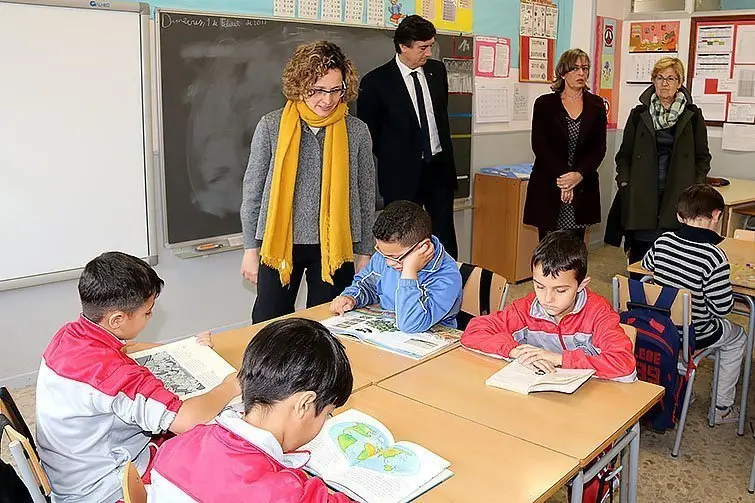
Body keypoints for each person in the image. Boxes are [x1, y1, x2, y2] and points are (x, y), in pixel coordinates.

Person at [35, 252, 240, 503]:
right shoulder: (114, 376)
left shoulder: (70, 335)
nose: (150, 317)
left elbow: (128, 349)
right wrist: (230, 386)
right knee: (217, 446)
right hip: (105, 489)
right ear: (117, 319)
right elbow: (188, 420)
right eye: (147, 312)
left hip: (70, 470)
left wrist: (188, 349)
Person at [240, 41, 376, 323]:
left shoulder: (356, 131)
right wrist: (249, 250)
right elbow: (253, 191)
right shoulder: (272, 126)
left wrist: (364, 252)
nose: (327, 100)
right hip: (278, 244)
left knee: (329, 324)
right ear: (300, 85)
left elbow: (365, 194)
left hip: (334, 247)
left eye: (335, 90)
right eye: (317, 90)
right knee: (269, 322)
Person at [146, 318, 354, 502]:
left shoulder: (179, 444)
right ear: (304, 405)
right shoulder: (286, 493)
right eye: (327, 414)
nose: (325, 421)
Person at [461, 230, 636, 381]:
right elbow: (474, 331)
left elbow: (623, 363)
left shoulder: (598, 313)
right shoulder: (526, 308)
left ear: (582, 285)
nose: (547, 299)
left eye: (560, 290)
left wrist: (559, 359)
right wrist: (515, 350)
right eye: (539, 286)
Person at [642, 184, 745, 424]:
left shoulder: (663, 240)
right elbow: (722, 309)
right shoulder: (714, 256)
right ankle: (721, 407)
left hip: (662, 327)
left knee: (692, 322)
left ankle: (681, 386)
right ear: (717, 215)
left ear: (679, 215)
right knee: (738, 336)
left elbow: (647, 266)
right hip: (696, 333)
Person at [357, 15, 458, 259]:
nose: (429, 53)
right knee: (404, 240)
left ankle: (449, 289)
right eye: (423, 47)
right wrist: (401, 157)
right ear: (403, 46)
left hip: (439, 169)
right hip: (401, 175)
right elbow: (371, 134)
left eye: (431, 45)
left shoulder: (437, 71)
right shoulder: (375, 82)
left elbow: (440, 116)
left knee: (444, 237)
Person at [615, 57, 711, 265]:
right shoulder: (639, 114)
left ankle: (669, 296)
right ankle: (637, 295)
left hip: (678, 192)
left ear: (680, 83)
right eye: (659, 78)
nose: (665, 83)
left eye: (671, 78)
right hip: (642, 192)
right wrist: (625, 182)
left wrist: (696, 187)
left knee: (672, 252)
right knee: (640, 253)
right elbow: (624, 155)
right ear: (653, 81)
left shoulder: (692, 116)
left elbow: (702, 157)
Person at [330, 200, 462, 333]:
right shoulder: (389, 254)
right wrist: (351, 298)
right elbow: (367, 285)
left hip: (429, 341)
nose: (388, 263)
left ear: (424, 247)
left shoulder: (447, 276)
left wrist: (410, 271)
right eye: (382, 253)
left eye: (395, 257)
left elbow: (411, 324)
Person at [524, 48, 607, 242]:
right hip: (550, 185)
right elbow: (540, 145)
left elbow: (599, 148)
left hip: (582, 186)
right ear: (563, 72)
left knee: (575, 248)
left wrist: (578, 176)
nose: (581, 73)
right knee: (548, 246)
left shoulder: (596, 105)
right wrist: (564, 181)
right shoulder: (544, 104)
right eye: (575, 68)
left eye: (585, 68)